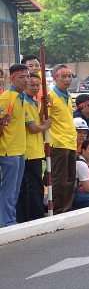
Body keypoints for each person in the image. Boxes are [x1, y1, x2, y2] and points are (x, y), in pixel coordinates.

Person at [17, 72, 50, 223]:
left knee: (27, 185)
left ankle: (25, 216)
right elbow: (32, 127)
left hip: (35, 149)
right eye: (32, 85)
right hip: (29, 151)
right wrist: (44, 127)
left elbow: (38, 119)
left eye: (38, 85)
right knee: (33, 185)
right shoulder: (24, 102)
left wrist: (43, 103)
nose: (36, 88)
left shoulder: (33, 101)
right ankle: (34, 216)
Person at [0, 64, 29, 227]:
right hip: (8, 151)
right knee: (8, 190)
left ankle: (11, 220)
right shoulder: (6, 98)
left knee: (15, 190)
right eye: (21, 77)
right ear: (11, 79)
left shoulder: (21, 97)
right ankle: (8, 223)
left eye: (27, 76)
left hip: (19, 150)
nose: (26, 80)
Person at [49, 64, 78, 214]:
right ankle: (58, 210)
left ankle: (67, 209)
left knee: (71, 178)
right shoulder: (50, 97)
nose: (67, 80)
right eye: (63, 77)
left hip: (70, 141)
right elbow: (44, 119)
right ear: (55, 78)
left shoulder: (67, 95)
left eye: (69, 76)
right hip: (58, 142)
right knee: (59, 179)